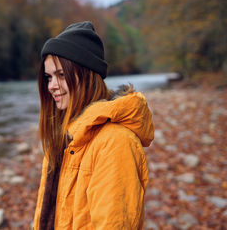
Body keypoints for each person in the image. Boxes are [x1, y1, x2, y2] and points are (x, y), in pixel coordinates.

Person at [33, 21, 154, 230]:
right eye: (48, 77)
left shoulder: (115, 143)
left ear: (87, 75)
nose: (52, 86)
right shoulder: (64, 136)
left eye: (61, 75)